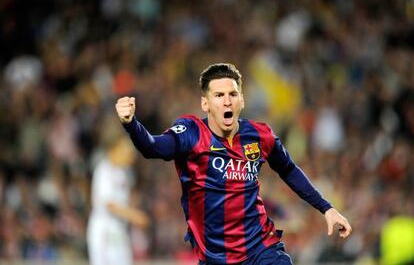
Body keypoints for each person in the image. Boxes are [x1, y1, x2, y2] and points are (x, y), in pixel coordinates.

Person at [115, 63, 352, 264]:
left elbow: (288, 169)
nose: (227, 101)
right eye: (219, 95)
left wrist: (326, 208)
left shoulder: (260, 136)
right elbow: (152, 147)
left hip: (261, 248)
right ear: (205, 104)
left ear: (242, 100)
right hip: (216, 257)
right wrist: (131, 123)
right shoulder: (191, 133)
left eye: (233, 94)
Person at [87, 130, 149, 265]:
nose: (131, 156)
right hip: (104, 229)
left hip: (119, 228)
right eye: (126, 151)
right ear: (114, 149)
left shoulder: (123, 173)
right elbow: (109, 204)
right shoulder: (104, 170)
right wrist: (134, 215)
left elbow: (125, 201)